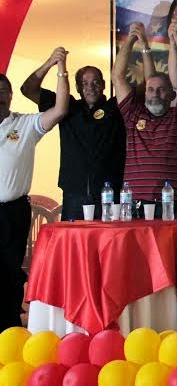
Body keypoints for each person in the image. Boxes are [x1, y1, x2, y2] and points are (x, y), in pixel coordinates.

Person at [1, 50, 68, 330]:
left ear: (10, 96)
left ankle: (8, 329)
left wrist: (57, 65)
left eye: (3, 91)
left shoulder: (25, 124)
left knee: (9, 273)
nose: (0, 96)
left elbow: (60, 109)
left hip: (12, 211)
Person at [21, 52, 126, 221]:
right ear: (77, 87)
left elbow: (139, 87)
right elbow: (27, 89)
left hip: (109, 194)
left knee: (111, 238)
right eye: (84, 83)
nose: (90, 87)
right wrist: (50, 62)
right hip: (74, 195)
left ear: (104, 85)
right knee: (73, 238)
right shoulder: (67, 107)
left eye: (95, 82)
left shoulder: (116, 108)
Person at [113, 21, 177, 219]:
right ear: (145, 93)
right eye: (150, 90)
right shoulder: (133, 114)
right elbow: (117, 77)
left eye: (161, 90)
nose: (155, 94)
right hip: (136, 203)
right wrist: (131, 39)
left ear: (172, 95)